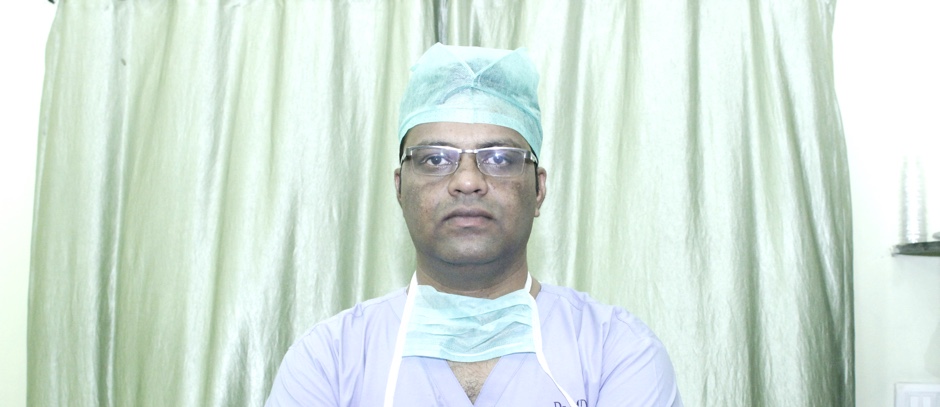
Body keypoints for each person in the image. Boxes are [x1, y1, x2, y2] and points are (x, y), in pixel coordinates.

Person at [266, 43, 683, 407]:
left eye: (500, 158)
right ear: (399, 188)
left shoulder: (617, 353)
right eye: (435, 159)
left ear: (538, 189)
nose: (467, 181)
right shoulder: (329, 361)